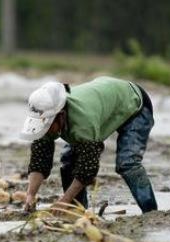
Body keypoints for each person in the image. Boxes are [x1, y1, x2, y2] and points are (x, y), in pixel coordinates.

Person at [19, 76, 158, 214]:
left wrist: (64, 201)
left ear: (60, 116)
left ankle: (151, 212)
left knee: (128, 164)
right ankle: (78, 211)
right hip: (104, 100)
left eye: (48, 125)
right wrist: (30, 195)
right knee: (68, 162)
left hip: (134, 103)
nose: (45, 129)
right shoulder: (48, 119)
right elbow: (39, 159)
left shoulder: (83, 123)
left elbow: (87, 169)